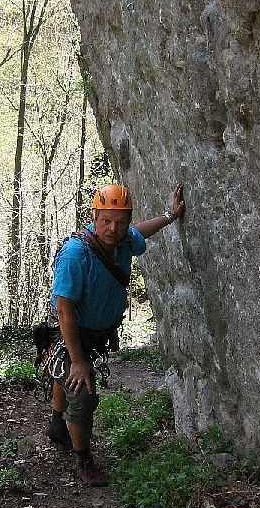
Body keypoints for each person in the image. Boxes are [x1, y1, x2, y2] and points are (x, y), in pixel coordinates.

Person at [44, 183, 185, 486]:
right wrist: (78, 360)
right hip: (72, 331)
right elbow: (65, 311)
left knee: (64, 376)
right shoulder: (76, 255)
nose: (112, 228)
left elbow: (141, 231)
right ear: (94, 217)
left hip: (94, 332)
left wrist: (170, 216)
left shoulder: (123, 241)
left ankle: (57, 426)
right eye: (106, 220)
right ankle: (83, 461)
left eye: (120, 222)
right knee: (81, 393)